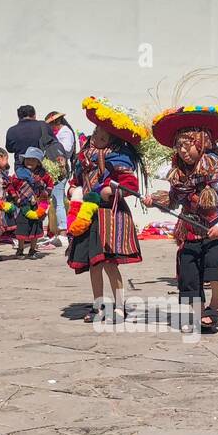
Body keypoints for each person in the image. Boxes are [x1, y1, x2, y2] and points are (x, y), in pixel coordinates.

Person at [150, 105, 218, 334]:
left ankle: (215, 305)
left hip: (215, 229)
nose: (183, 151)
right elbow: (173, 201)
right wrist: (155, 201)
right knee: (189, 271)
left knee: (214, 265)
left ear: (201, 142)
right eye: (179, 146)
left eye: (187, 144)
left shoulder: (215, 171)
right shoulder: (179, 174)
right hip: (190, 229)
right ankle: (198, 313)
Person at [67, 97, 146, 323]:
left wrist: (109, 192)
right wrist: (74, 191)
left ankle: (120, 306)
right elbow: (76, 180)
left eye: (103, 136)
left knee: (110, 264)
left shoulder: (118, 157)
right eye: (96, 133)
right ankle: (98, 305)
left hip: (110, 216)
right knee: (94, 263)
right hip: (89, 215)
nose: (98, 138)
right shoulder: (84, 156)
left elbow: (130, 186)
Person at [10, 147, 53, 259]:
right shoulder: (19, 174)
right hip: (23, 204)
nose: (30, 162)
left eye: (33, 160)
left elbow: (50, 184)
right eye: (28, 159)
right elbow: (11, 186)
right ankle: (20, 249)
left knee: (35, 227)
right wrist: (15, 197)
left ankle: (33, 250)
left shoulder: (44, 175)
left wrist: (46, 193)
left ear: (38, 162)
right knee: (22, 227)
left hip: (37, 205)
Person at [42, 111, 76, 246]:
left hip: (59, 169)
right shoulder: (58, 134)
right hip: (54, 168)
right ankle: (58, 231)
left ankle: (62, 232)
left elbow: (66, 150)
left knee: (58, 200)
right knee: (56, 200)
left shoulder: (65, 133)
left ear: (57, 122)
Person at [5, 105, 48, 171]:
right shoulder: (43, 126)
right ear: (34, 115)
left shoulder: (12, 130)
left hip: (20, 168)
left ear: (19, 117)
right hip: (41, 167)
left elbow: (10, 149)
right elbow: (53, 143)